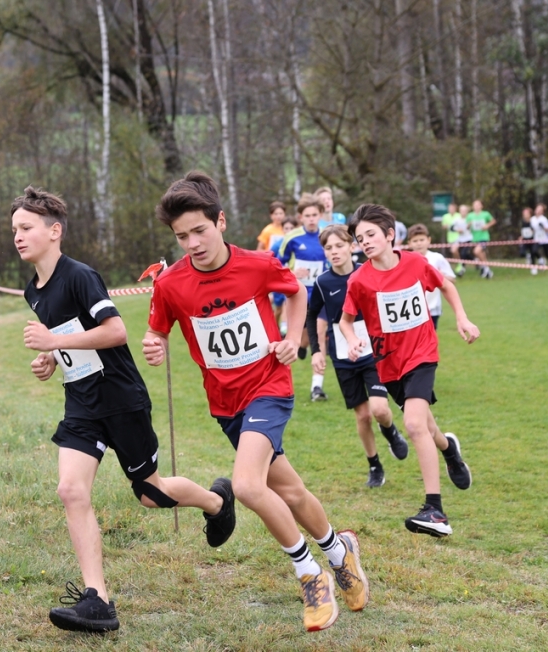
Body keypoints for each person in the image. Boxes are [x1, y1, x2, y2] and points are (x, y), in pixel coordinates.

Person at [143, 171, 369, 633]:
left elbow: (295, 293)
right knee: (287, 490)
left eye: (200, 231)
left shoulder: (258, 263)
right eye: (181, 236)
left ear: (220, 221)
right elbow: (156, 329)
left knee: (246, 486)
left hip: (269, 386)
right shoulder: (171, 285)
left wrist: (291, 337)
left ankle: (311, 574)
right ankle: (339, 551)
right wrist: (154, 345)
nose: (192, 243)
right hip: (225, 404)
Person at [11, 185, 236, 634]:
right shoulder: (32, 292)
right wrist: (50, 359)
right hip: (81, 404)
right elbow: (71, 335)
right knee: (71, 491)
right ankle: (98, 601)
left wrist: (54, 342)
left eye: (26, 228)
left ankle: (216, 500)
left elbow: (114, 332)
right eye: (14, 229)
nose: (17, 237)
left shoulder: (80, 276)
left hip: (121, 400)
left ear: (54, 232)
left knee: (152, 494)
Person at [338, 204, 478, 538]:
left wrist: (461, 317)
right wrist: (352, 337)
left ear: (390, 235)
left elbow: (446, 286)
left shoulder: (416, 263)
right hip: (389, 364)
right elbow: (345, 320)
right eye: (360, 239)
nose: (366, 242)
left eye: (371, 235)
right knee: (426, 428)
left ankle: (435, 510)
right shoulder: (359, 280)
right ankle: (450, 450)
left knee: (414, 424)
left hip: (422, 354)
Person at [307, 225, 409, 488]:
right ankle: (374, 465)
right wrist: (317, 351)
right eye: (328, 248)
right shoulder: (322, 282)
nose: (334, 252)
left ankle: (391, 431)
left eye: (339, 246)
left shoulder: (369, 272)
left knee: (379, 409)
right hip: (344, 357)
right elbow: (311, 315)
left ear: (351, 246)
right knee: (362, 415)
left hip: (374, 352)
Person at [279, 193, 330, 400]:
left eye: (314, 215)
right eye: (307, 215)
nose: (311, 219)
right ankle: (300, 346)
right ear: (301, 217)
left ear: (320, 215)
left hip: (322, 293)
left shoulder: (327, 235)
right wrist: (291, 273)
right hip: (299, 294)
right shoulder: (292, 238)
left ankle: (316, 387)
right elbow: (276, 264)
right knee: (305, 339)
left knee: (319, 333)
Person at [406, 224, 456, 330]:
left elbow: (452, 279)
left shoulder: (437, 258)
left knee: (431, 339)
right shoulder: (406, 260)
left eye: (422, 240)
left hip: (433, 308)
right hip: (413, 310)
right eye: (415, 241)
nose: (419, 243)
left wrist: (441, 276)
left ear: (429, 240)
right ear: (409, 243)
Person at [270, 215, 299, 334]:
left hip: (294, 279)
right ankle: (275, 327)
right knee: (279, 308)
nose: (289, 231)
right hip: (279, 279)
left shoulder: (298, 243)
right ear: (282, 229)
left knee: (288, 303)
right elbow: (270, 260)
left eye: (291, 228)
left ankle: (286, 328)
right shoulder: (278, 245)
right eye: (286, 228)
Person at [466, 199, 496, 278]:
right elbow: (467, 227)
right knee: (481, 253)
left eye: (478, 205)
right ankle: (487, 269)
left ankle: (485, 268)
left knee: (477, 251)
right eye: (474, 205)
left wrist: (487, 226)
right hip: (475, 238)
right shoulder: (470, 215)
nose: (476, 206)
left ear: (481, 206)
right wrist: (469, 224)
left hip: (484, 237)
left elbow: (493, 221)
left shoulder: (485, 214)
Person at [531, 203, 548, 276]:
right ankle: (537, 263)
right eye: (537, 209)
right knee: (533, 251)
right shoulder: (532, 219)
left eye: (540, 210)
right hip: (537, 239)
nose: (537, 211)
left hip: (545, 239)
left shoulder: (544, 219)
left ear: (542, 212)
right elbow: (533, 229)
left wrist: (543, 227)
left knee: (547, 254)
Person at [440, 203, 463, 276]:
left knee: (454, 250)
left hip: (459, 237)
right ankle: (459, 265)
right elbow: (443, 226)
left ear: (455, 209)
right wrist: (446, 226)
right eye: (450, 208)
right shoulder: (445, 216)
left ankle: (460, 265)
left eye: (452, 208)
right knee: (454, 252)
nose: (451, 210)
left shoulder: (459, 216)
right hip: (450, 238)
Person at [519, 208, 538, 274]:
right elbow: (523, 230)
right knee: (522, 252)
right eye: (524, 214)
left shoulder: (533, 221)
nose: (525, 215)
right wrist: (521, 237)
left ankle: (533, 267)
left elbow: (535, 229)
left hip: (532, 239)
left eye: (526, 213)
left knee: (533, 252)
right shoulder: (522, 222)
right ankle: (528, 256)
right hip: (525, 239)